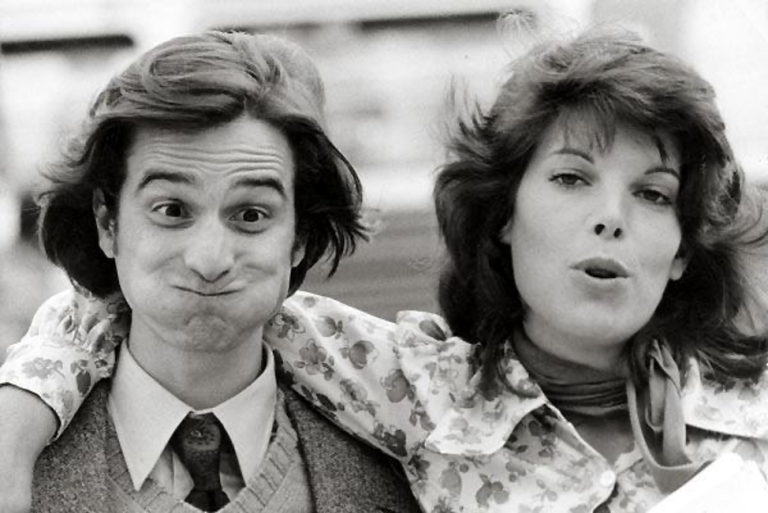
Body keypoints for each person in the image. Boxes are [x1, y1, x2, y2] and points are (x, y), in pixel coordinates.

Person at [3, 28, 768, 512]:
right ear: (503, 212)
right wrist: (21, 409)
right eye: (572, 178)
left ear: (683, 246)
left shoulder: (752, 413)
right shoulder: (421, 392)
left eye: (653, 193)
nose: (612, 218)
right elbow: (165, 298)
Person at [0, 30, 422, 513]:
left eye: (250, 215)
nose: (209, 260)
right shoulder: (20, 461)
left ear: (299, 237)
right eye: (172, 210)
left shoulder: (413, 466)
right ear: (107, 223)